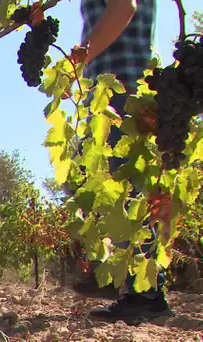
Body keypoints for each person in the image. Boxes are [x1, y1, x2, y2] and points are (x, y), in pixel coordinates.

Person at [72, 0, 174, 323]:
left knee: (128, 192)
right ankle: (137, 288)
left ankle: (146, 295)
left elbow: (123, 7)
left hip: (124, 88)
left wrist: (79, 58)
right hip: (119, 87)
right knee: (126, 191)